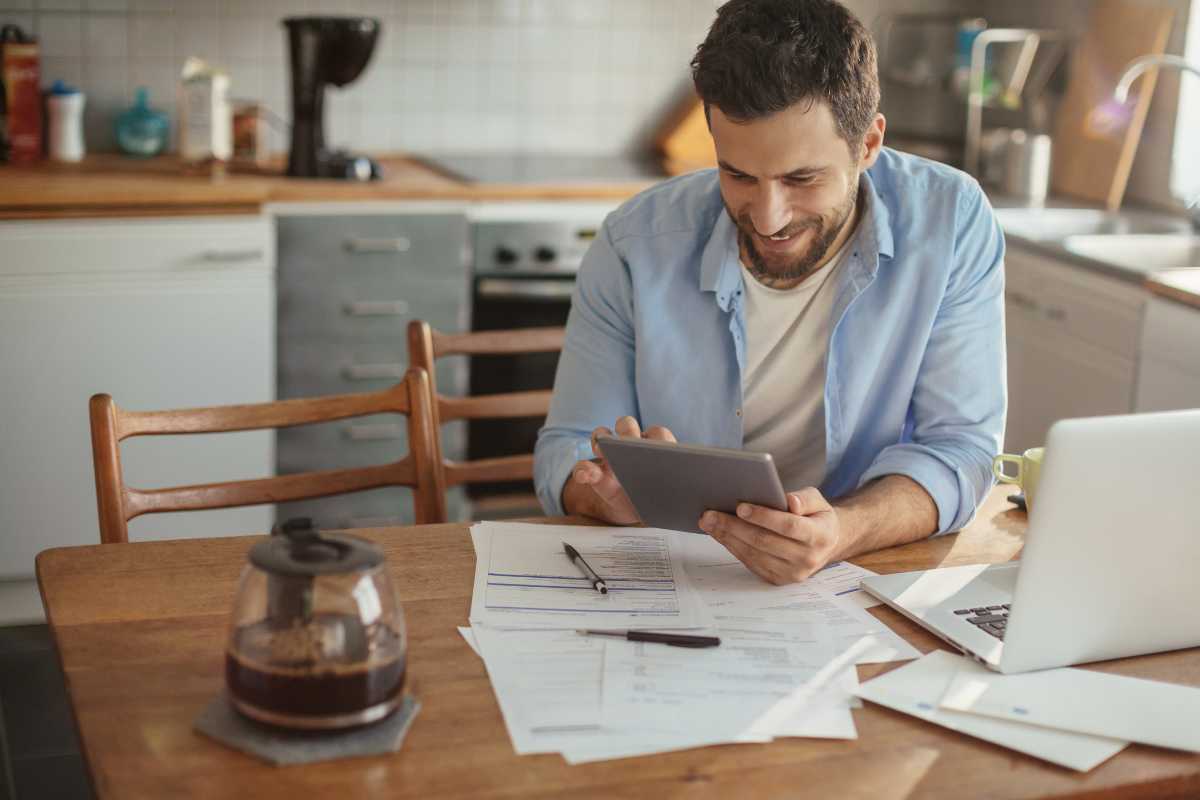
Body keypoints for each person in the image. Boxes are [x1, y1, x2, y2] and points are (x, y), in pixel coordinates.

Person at [534, 0, 1006, 586]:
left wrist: (843, 531)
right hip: (681, 571)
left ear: (868, 144)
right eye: (737, 175)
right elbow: (566, 450)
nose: (767, 217)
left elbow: (962, 449)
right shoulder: (635, 243)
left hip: (863, 573)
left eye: (801, 179)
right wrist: (605, 495)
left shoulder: (951, 220)